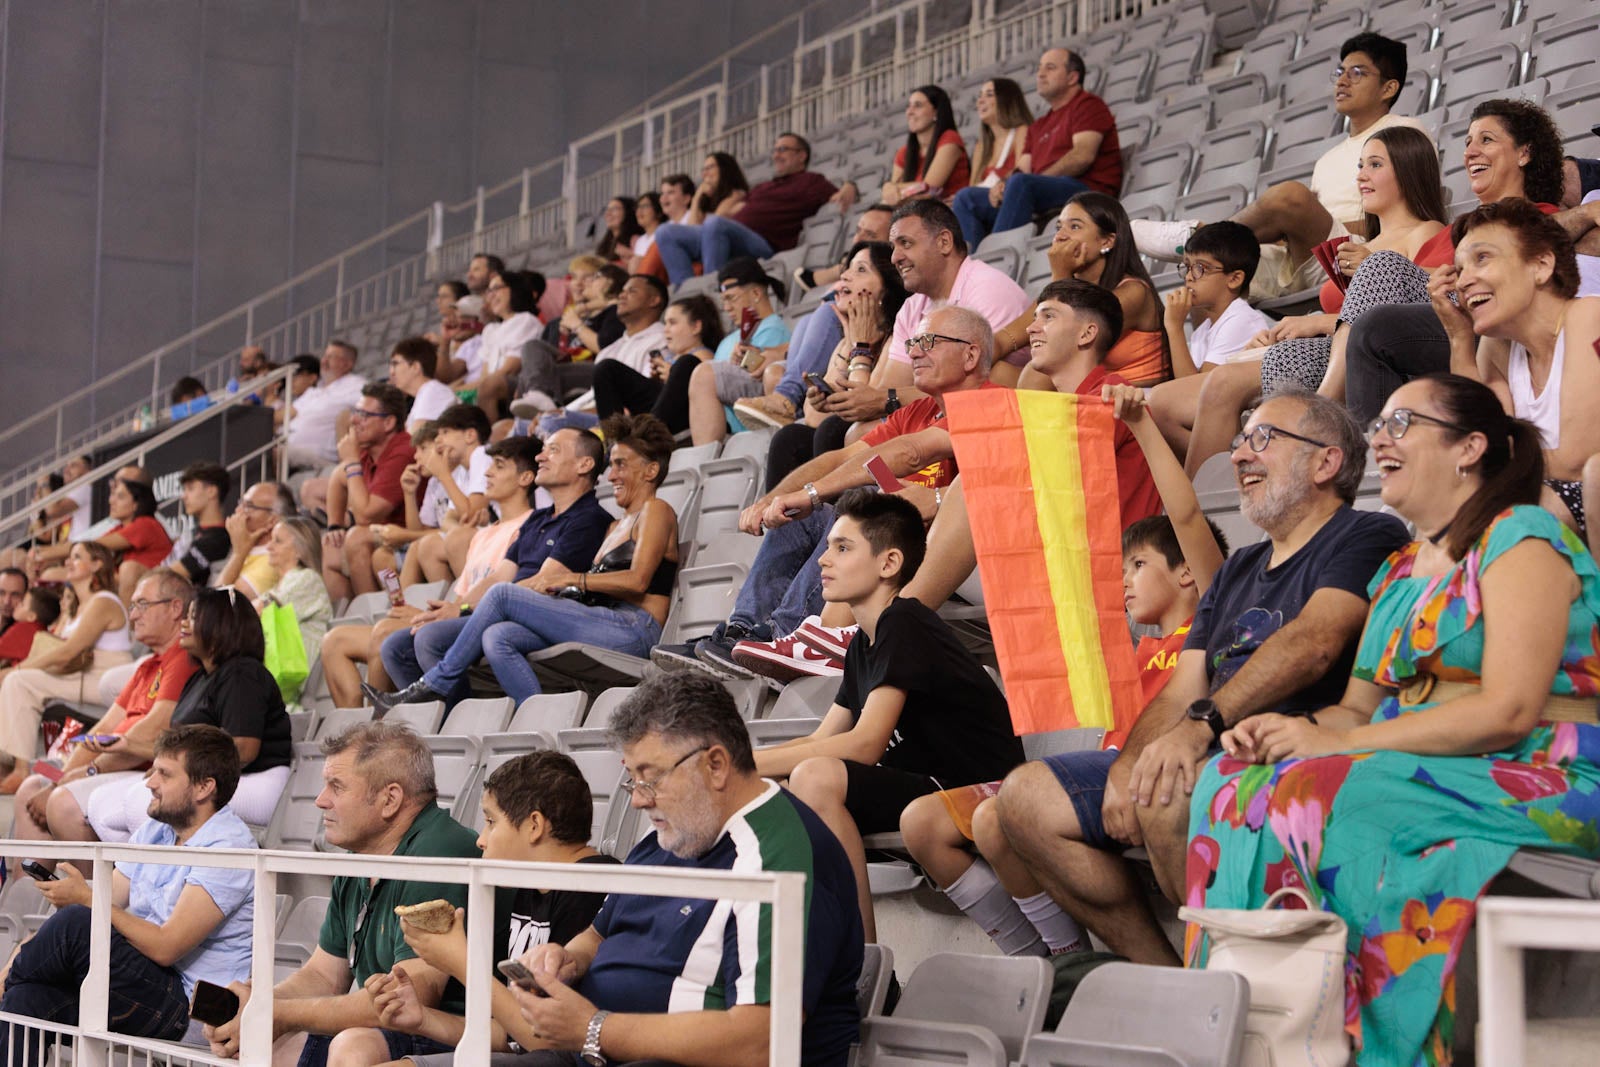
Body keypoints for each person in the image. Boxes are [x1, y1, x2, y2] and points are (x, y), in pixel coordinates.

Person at [1186, 374, 1600, 1065]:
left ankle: (1375, 1045)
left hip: (1541, 765)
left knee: (1330, 789)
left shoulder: (1521, 534)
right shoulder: (1400, 569)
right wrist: (1282, 732)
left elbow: (1509, 709)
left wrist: (1339, 743)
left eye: (1401, 423)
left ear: (1469, 447)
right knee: (1227, 782)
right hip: (1430, 758)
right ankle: (1253, 1030)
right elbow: (1355, 706)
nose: (1379, 438)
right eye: (1377, 425)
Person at [994, 391, 1408, 965]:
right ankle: (1166, 976)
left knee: (1165, 796)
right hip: (1206, 745)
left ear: (1326, 462)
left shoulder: (1366, 534)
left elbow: (1314, 643)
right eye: (1240, 440)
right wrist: (1129, 764)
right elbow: (1183, 688)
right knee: (1023, 798)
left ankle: (1219, 974)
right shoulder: (1239, 566)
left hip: (1281, 747)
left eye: (1262, 438)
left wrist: (1198, 729)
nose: (1239, 455)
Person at [900, 502, 1224, 958]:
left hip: (1144, 778)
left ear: (1188, 571)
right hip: (1105, 775)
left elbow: (1189, 523)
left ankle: (1068, 959)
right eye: (1122, 569)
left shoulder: (1210, 623)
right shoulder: (1138, 646)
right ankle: (1047, 964)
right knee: (925, 822)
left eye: (1138, 565)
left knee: (993, 820)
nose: (1124, 580)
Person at [503, 672, 862, 1067]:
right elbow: (597, 935)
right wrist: (567, 959)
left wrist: (593, 1027)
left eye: (650, 778)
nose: (638, 800)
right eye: (633, 781)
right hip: (591, 1052)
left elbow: (760, 1041)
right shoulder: (676, 830)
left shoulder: (780, 858)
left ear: (715, 766)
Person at [656, 304, 996, 676]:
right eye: (913, 342)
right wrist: (777, 498)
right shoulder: (917, 413)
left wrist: (814, 493)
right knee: (803, 517)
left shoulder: (990, 403)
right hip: (901, 541)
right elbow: (846, 458)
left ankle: (788, 638)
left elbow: (910, 453)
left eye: (928, 342)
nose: (914, 352)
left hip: (961, 555)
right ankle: (744, 632)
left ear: (970, 355)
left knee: (856, 510)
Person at [753, 490, 1023, 942]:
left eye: (842, 548)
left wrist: (748, 764)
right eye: (828, 547)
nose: (823, 560)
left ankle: (862, 955)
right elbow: (821, 738)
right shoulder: (863, 642)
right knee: (779, 791)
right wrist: (745, 764)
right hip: (928, 788)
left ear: (889, 563)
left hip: (980, 786)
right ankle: (816, 946)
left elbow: (865, 745)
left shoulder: (905, 622)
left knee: (814, 777)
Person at [1177, 125, 1452, 473]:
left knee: (1380, 265)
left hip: (1377, 348)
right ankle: (1199, 502)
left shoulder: (1428, 232)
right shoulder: (1361, 245)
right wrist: (1290, 330)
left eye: (1375, 165)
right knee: (1225, 381)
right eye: (1360, 166)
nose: (1361, 176)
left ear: (1408, 170)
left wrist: (1324, 318)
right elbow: (1345, 316)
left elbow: (1434, 299)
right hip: (1334, 347)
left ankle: (1323, 406)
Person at [202, 723, 481, 1065]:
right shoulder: (361, 857)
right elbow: (323, 975)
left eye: (336, 786)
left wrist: (279, 1014)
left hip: (460, 1038)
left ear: (390, 799)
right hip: (399, 1030)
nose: (321, 800)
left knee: (354, 1047)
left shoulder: (440, 851)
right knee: (258, 1042)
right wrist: (255, 1006)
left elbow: (408, 999)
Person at [367, 414, 679, 711]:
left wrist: (572, 579)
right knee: (498, 636)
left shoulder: (656, 509)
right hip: (601, 620)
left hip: (634, 628)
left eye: (621, 465)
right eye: (611, 465)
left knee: (503, 594)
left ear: (650, 471)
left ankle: (437, 682)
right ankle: (538, 722)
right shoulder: (615, 525)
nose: (611, 475)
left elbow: (638, 580)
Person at [1, 725, 256, 1062]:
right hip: (148, 983)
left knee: (76, 924)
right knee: (25, 1000)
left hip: (194, 1009)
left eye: (164, 774)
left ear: (204, 787)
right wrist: (65, 913)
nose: (150, 782)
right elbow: (109, 900)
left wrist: (86, 899)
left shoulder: (229, 848)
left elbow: (166, 947)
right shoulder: (158, 830)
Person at [359, 751, 618, 1064]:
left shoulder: (589, 888)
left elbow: (546, 1041)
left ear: (534, 825)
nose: (481, 840)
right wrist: (422, 1019)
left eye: (491, 822)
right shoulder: (531, 886)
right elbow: (511, 1035)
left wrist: (460, 962)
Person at [1136, 33, 1428, 301]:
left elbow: (1409, 213)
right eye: (1340, 72)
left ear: (1388, 88)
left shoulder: (1404, 131)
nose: (1342, 81)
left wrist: (1302, 221)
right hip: (1305, 254)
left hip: (1359, 251)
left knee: (1291, 196)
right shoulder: (1327, 159)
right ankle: (1205, 248)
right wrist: (1293, 233)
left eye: (1357, 73)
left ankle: (1201, 236)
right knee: (1208, 272)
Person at [1342, 97, 1582, 422]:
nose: (1470, 152)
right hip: (1433, 322)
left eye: (1486, 139)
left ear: (1524, 153)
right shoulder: (1451, 232)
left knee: (1380, 292)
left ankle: (1349, 428)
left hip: (1477, 320)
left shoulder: (1538, 218)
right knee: (1293, 354)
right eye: (1468, 142)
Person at [322, 436, 541, 708]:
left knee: (401, 635)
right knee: (365, 642)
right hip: (464, 615)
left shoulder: (531, 526)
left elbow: (503, 593)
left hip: (490, 620)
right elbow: (462, 598)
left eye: (498, 466)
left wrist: (447, 613)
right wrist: (432, 614)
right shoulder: (482, 535)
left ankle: (438, 715)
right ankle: (420, 717)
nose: (487, 473)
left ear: (525, 478)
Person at [1431, 199, 1600, 546]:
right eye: (1459, 270)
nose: (1464, 281)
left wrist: (1494, 464)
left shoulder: (1589, 316)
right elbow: (1477, 439)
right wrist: (1459, 339)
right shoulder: (1498, 348)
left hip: (1583, 495)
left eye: (1482, 258)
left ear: (1541, 265)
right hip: (1550, 503)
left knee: (1514, 511)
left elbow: (1575, 460)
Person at [8, 569, 196, 868]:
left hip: (141, 770)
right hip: (108, 766)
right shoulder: (147, 666)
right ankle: (29, 890)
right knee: (32, 785)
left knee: (62, 802)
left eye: (142, 604)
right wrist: (61, 776)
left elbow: (144, 736)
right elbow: (103, 728)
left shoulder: (182, 660)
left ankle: (87, 895)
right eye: (132, 606)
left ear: (175, 608)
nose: (133, 615)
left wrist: (75, 778)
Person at [87, 586, 293, 843]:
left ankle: (178, 867)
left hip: (256, 780)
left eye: (194, 616)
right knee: (100, 804)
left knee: (141, 801)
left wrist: (179, 772)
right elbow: (182, 744)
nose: (184, 622)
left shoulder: (243, 673)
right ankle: (149, 868)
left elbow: (243, 749)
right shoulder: (200, 677)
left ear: (220, 623)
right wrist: (164, 768)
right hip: (204, 775)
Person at [823, 198, 1029, 428]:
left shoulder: (988, 289)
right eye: (893, 247)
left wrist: (884, 397)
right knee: (844, 430)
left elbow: (972, 385)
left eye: (906, 243)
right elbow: (884, 393)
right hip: (938, 414)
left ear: (944, 242)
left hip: (990, 417)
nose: (895, 258)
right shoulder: (911, 307)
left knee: (849, 432)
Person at [734, 233, 907, 435]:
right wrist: (821, 400)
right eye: (848, 268)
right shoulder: (845, 343)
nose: (845, 275)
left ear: (886, 289)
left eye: (861, 269)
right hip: (841, 433)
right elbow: (814, 418)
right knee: (791, 435)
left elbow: (862, 412)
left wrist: (861, 348)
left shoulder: (895, 341)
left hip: (873, 440)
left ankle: (786, 398)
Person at [951, 47, 1121, 249]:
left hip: (1086, 190)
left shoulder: (1088, 105)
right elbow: (1022, 168)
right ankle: (970, 261)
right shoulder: (1038, 125)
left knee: (1022, 183)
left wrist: (1033, 180)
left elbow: (1082, 157)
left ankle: (995, 259)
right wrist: (1002, 185)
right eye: (1040, 68)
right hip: (1038, 191)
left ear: (1072, 77)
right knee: (966, 198)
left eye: (1050, 68)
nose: (1040, 74)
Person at [998, 192, 1169, 386]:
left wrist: (1060, 273)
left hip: (1132, 394)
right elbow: (1004, 340)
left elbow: (1062, 341)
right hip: (1086, 389)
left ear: (1107, 241)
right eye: (1059, 227)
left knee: (1036, 374)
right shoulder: (1070, 290)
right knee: (993, 371)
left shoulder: (1134, 292)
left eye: (1075, 227)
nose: (1060, 236)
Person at [0, 542, 132, 793]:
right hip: (79, 677)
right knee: (15, 681)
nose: (68, 562)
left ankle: (20, 770)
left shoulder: (104, 601)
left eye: (77, 557)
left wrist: (18, 669)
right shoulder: (77, 606)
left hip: (105, 680)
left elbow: (68, 652)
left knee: (19, 681)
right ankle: (9, 766)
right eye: (69, 557)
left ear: (97, 565)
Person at [1144, 221, 1271, 456]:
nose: (1189, 277)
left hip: (1239, 426)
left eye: (1200, 268)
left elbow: (1199, 397)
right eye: (1187, 267)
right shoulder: (1204, 329)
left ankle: (1214, 469)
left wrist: (1174, 327)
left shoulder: (1240, 319)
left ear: (1234, 279)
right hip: (1212, 423)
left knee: (1155, 409)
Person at [654, 133, 843, 285]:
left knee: (715, 223)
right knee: (666, 232)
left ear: (802, 155)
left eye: (783, 149)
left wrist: (851, 187)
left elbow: (843, 194)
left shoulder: (811, 181)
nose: (776, 155)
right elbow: (729, 211)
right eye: (775, 150)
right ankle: (686, 294)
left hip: (764, 245)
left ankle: (711, 290)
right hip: (731, 236)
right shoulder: (764, 186)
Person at [321, 383, 417, 602]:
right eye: (356, 412)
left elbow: (365, 516)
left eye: (364, 415)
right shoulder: (369, 448)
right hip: (385, 533)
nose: (354, 420)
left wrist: (352, 461)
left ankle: (374, 613)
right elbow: (337, 477)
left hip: (410, 535)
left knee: (356, 537)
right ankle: (352, 614)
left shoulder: (402, 452)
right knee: (331, 546)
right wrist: (335, 526)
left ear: (389, 422)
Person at [685, 258, 793, 445]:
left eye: (731, 298)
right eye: (723, 301)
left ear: (756, 293)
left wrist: (747, 360)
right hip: (729, 427)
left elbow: (765, 377)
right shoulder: (727, 341)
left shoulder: (773, 329)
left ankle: (707, 453)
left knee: (704, 374)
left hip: (754, 427)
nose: (726, 308)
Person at [32, 476, 174, 602]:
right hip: (130, 587)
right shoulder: (120, 527)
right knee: (52, 574)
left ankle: (125, 623)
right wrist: (44, 557)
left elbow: (91, 546)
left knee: (121, 569)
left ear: (136, 504)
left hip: (159, 588)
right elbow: (86, 546)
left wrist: (41, 554)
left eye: (120, 497)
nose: (111, 501)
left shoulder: (146, 524)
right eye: (112, 495)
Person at [557, 274, 672, 430]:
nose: (622, 295)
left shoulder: (663, 340)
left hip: (632, 421)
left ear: (654, 300)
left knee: (552, 422)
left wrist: (564, 415)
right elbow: (594, 396)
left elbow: (640, 400)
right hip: (599, 416)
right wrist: (563, 411)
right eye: (622, 291)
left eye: (632, 291)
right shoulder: (609, 350)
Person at [259, 517, 334, 680]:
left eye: (278, 541)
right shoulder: (278, 587)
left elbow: (258, 611)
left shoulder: (307, 579)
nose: (268, 546)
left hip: (298, 677)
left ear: (299, 551)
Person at [282, 340, 366, 471]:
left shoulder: (357, 385)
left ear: (347, 364)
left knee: (272, 453)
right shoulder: (314, 391)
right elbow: (285, 414)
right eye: (324, 356)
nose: (324, 361)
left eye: (331, 357)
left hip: (320, 456)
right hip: (289, 449)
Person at [882, 84, 970, 205]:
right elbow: (893, 197)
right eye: (909, 106)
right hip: (917, 212)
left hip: (949, 212)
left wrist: (891, 187)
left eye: (918, 105)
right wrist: (891, 189)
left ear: (936, 112)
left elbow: (928, 189)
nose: (909, 112)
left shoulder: (950, 139)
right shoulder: (903, 153)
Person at [474, 271, 545, 421]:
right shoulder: (490, 329)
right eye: (489, 291)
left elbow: (511, 368)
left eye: (496, 288)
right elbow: (485, 373)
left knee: (489, 386)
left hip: (520, 383)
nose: (491, 296)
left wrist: (484, 386)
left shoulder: (526, 320)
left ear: (515, 289)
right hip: (494, 384)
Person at [215, 480, 297, 600]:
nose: (238, 511)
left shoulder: (272, 561)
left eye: (248, 506)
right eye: (241, 503)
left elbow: (217, 604)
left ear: (272, 520)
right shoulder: (247, 549)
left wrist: (238, 554)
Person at [164, 461, 232, 586]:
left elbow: (168, 576)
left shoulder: (218, 539)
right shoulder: (192, 533)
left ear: (211, 491)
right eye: (184, 489)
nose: (183, 496)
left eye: (190, 488)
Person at [968, 77, 1033, 194]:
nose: (980, 101)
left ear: (1007, 100)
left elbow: (1022, 176)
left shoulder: (1021, 131)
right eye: (980, 96)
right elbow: (972, 188)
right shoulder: (980, 147)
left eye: (989, 95)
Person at [633, 173, 698, 281]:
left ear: (686, 198)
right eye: (662, 193)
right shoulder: (665, 227)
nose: (663, 198)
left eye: (670, 192)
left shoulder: (695, 218)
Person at [391, 336, 459, 431]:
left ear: (415, 367)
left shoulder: (433, 391)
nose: (392, 372)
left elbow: (416, 437)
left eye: (395, 364)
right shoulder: (425, 394)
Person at [625, 191, 666, 273]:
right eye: (638, 207)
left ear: (659, 212)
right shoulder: (640, 240)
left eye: (645, 206)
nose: (639, 211)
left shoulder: (664, 234)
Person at [595, 196, 643, 264]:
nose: (608, 214)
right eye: (607, 209)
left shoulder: (636, 241)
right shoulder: (605, 243)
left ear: (627, 213)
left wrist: (630, 254)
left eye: (614, 209)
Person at [0, 567, 27, 641]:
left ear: (25, 597)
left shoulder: (25, 632)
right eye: (1, 593)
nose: (7, 602)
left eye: (15, 595)